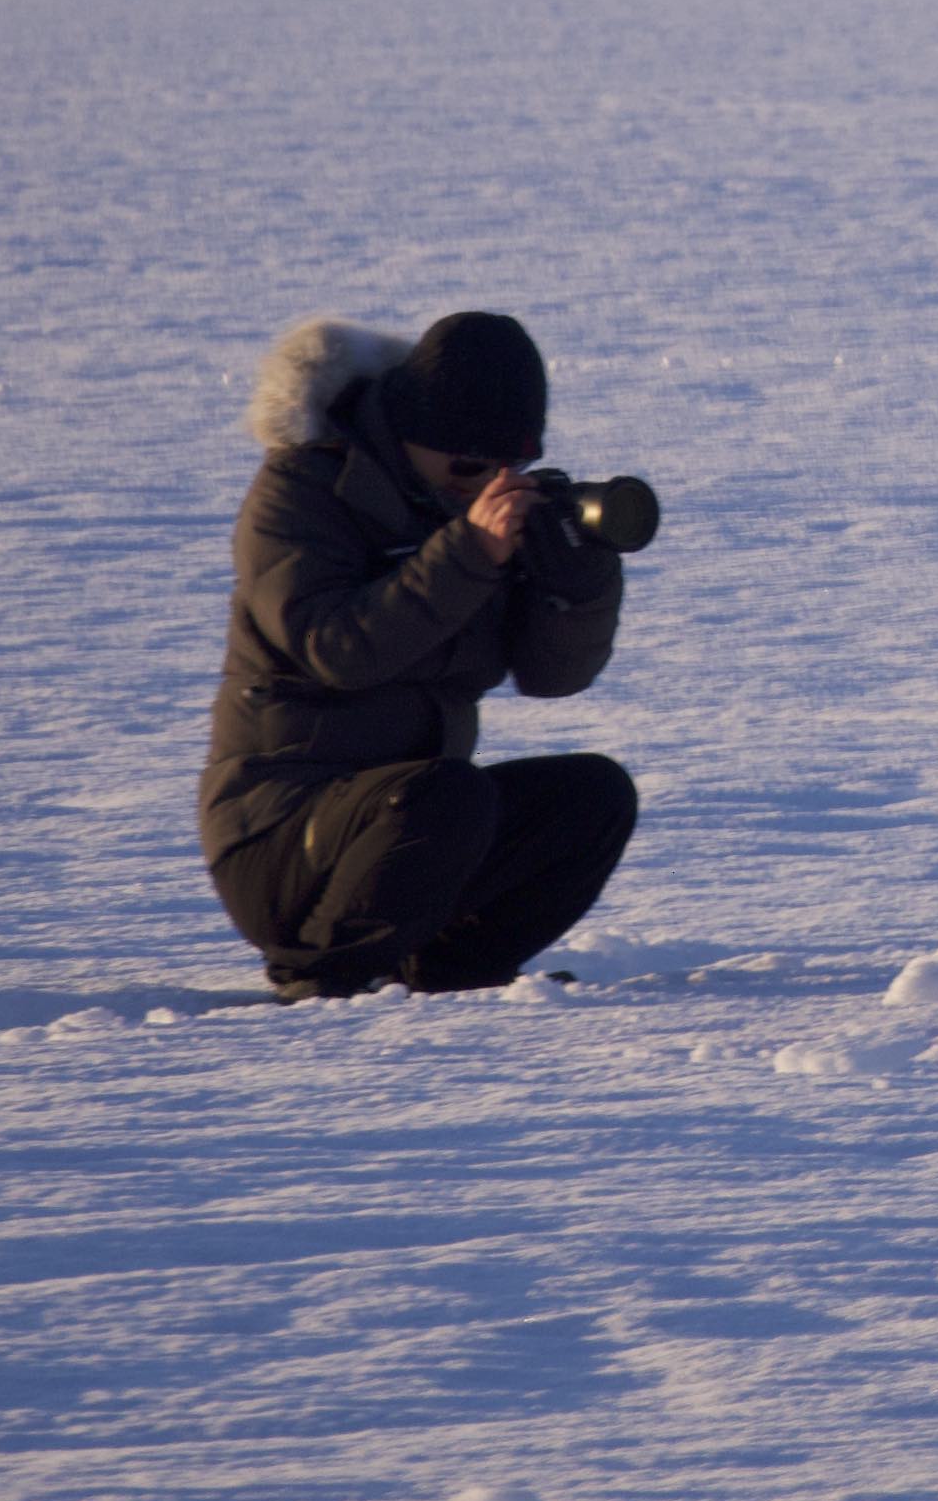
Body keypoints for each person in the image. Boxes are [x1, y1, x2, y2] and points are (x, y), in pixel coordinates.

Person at [200, 311, 640, 1000]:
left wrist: (574, 585)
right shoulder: (301, 492)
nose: (485, 483)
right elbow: (334, 649)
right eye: (469, 465)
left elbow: (553, 677)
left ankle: (455, 972)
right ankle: (320, 976)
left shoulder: (461, 510)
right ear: (410, 433)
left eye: (507, 467)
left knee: (592, 798)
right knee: (446, 795)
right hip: (282, 835)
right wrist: (467, 552)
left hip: (414, 822)